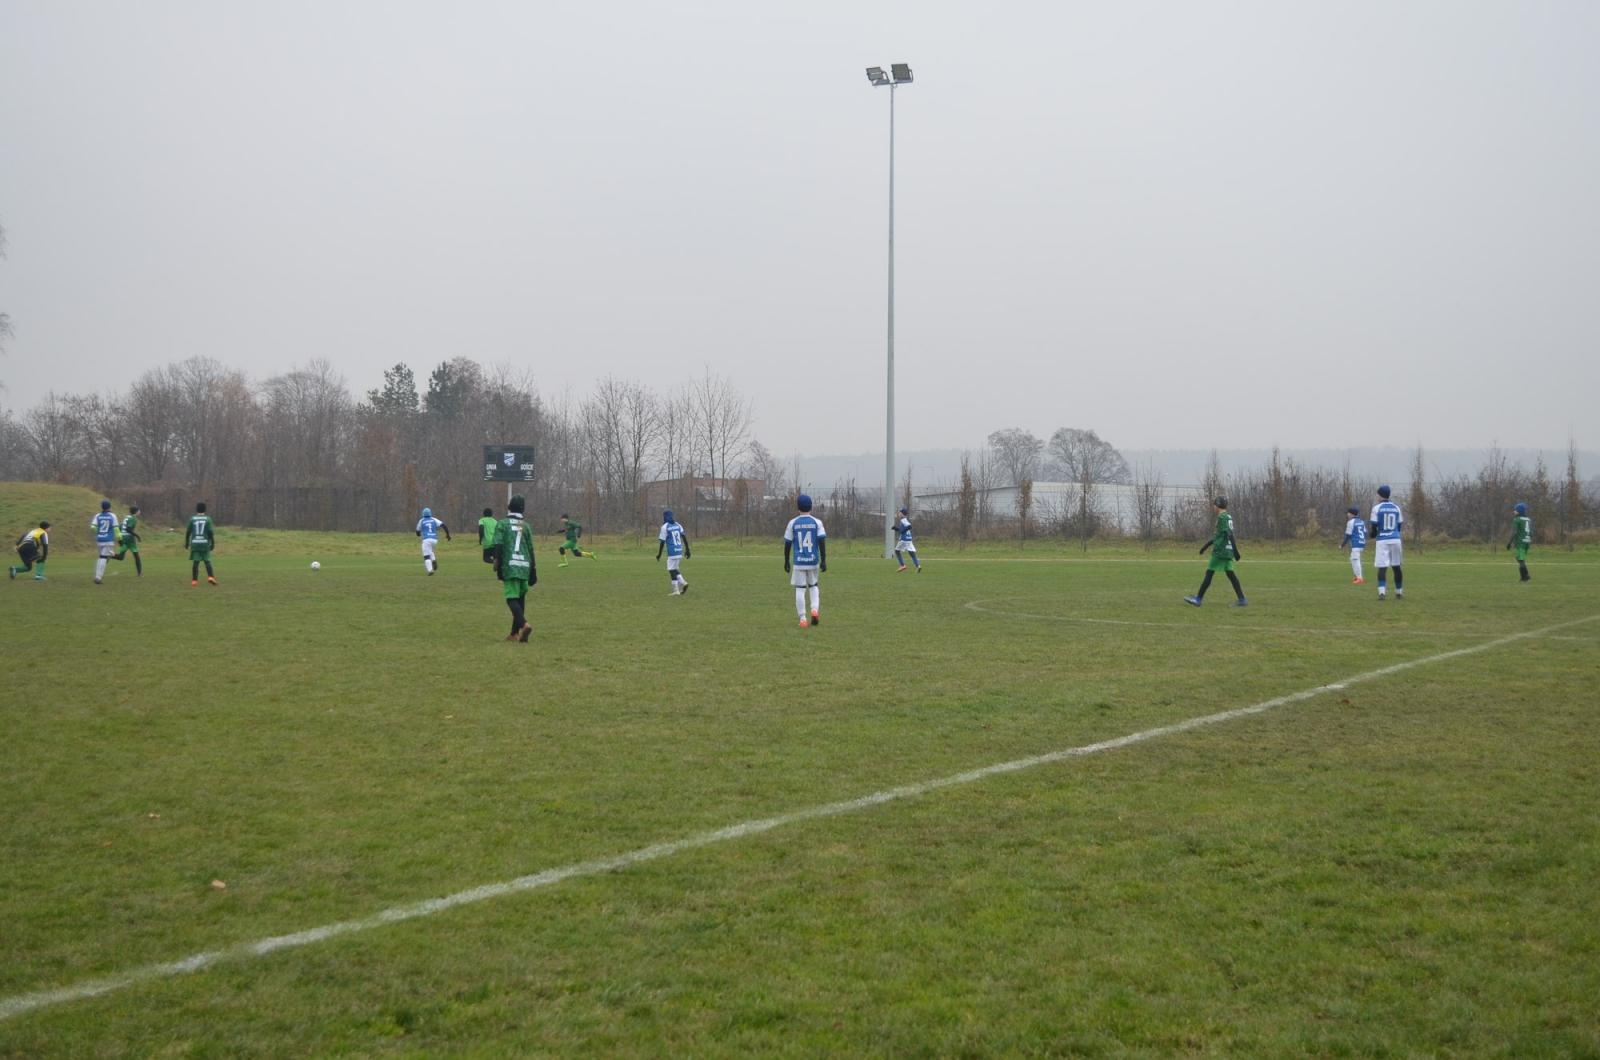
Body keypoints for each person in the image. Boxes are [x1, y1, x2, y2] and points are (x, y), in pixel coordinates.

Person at [1185, 497, 1246, 607]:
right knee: (1231, 575)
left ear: (1217, 506)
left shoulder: (1221, 518)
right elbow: (1220, 536)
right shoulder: (1228, 516)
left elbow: (1229, 535)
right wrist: (1206, 546)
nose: (1213, 507)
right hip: (1227, 550)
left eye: (1214, 505)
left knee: (1209, 573)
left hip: (1220, 551)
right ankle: (1242, 599)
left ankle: (1198, 599)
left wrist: (1236, 552)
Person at [492, 494, 536, 642]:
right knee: (520, 598)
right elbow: (531, 549)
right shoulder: (526, 526)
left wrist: (497, 564)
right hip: (525, 566)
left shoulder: (502, 524)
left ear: (509, 507)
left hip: (510, 565)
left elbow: (498, 544)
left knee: (511, 599)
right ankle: (514, 634)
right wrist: (533, 570)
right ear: (523, 509)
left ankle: (524, 625)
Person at [783, 493, 827, 628]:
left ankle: (802, 619)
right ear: (811, 506)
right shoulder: (817, 522)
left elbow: (788, 543)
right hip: (813, 561)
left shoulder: (793, 523)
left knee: (800, 589)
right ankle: (814, 610)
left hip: (799, 561)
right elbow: (821, 542)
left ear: (798, 507)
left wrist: (786, 560)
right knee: (813, 586)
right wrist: (823, 560)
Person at [1370, 484, 1404, 600]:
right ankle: (1399, 592)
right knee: (1396, 566)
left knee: (1382, 567)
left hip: (1383, 540)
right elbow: (1399, 526)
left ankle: (1382, 593)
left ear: (1380, 495)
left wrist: (1373, 535)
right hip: (1395, 539)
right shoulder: (1396, 507)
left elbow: (1374, 527)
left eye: (1377, 494)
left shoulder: (1376, 508)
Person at [656, 509, 691, 595]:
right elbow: (684, 537)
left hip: (672, 552)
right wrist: (687, 550)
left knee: (671, 570)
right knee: (674, 569)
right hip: (679, 550)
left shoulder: (665, 527)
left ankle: (678, 588)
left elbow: (662, 542)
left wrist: (659, 554)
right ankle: (682, 585)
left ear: (664, 517)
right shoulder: (678, 524)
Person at [187, 501, 217, 586]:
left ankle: (194, 581)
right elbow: (210, 532)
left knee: (196, 562)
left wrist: (186, 543)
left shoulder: (192, 519)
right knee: (207, 561)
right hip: (204, 543)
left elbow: (188, 532)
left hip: (195, 543)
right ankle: (211, 577)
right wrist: (213, 543)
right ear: (205, 509)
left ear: (196, 509)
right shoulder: (208, 519)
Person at [415, 507, 452, 575]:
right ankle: (434, 560)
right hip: (434, 539)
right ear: (430, 513)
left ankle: (430, 570)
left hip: (426, 539)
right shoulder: (434, 519)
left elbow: (417, 532)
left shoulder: (421, 521)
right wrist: (448, 535)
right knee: (430, 550)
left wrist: (420, 533)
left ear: (423, 514)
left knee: (426, 555)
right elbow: (444, 526)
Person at [91, 499, 119, 584]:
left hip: (100, 539)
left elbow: (92, 527)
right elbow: (116, 529)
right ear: (109, 506)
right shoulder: (112, 516)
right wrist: (120, 538)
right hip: (108, 540)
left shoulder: (98, 515)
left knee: (101, 557)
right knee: (104, 558)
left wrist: (97, 533)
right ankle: (98, 577)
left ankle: (97, 575)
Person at [112, 505, 143, 576]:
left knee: (121, 557)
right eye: (139, 510)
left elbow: (120, 527)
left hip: (123, 538)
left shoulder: (127, 517)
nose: (140, 512)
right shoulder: (133, 519)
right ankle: (139, 573)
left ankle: (108, 555)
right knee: (136, 556)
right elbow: (128, 529)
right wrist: (137, 536)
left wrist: (120, 539)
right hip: (129, 539)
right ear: (136, 512)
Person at [1339, 505, 1367, 584]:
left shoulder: (1351, 522)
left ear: (1352, 514)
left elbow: (1348, 535)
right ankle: (1357, 576)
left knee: (1355, 559)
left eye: (1348, 513)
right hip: (1362, 542)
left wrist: (1342, 545)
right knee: (1353, 559)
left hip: (1356, 543)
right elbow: (1365, 532)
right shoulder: (1361, 521)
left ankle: (1359, 578)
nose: (1347, 514)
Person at [1506, 501, 1532, 583]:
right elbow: (1531, 532)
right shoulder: (1528, 519)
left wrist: (1509, 542)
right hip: (1527, 541)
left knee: (1521, 560)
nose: (1514, 511)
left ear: (1519, 511)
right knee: (1519, 558)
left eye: (1516, 510)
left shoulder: (1517, 520)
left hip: (1520, 542)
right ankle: (1525, 576)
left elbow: (1514, 532)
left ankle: (1525, 577)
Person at [893, 507, 922, 572]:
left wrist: (902, 531)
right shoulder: (905, 520)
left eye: (900, 512)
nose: (899, 513)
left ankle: (902, 565)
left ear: (902, 514)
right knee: (912, 553)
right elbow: (903, 530)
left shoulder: (903, 520)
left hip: (904, 539)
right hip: (909, 539)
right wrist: (896, 529)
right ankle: (918, 566)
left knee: (897, 551)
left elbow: (909, 527)